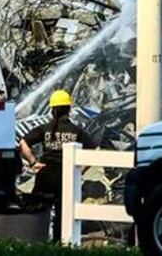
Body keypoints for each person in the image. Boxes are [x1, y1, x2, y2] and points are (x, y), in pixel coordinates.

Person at [20, 90, 95, 239]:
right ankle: (60, 242)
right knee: (63, 213)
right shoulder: (76, 130)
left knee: (38, 208)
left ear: (52, 109)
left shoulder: (45, 129)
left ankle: (34, 238)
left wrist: (33, 162)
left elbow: (23, 143)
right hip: (66, 176)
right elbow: (94, 149)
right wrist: (79, 170)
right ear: (69, 109)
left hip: (45, 175)